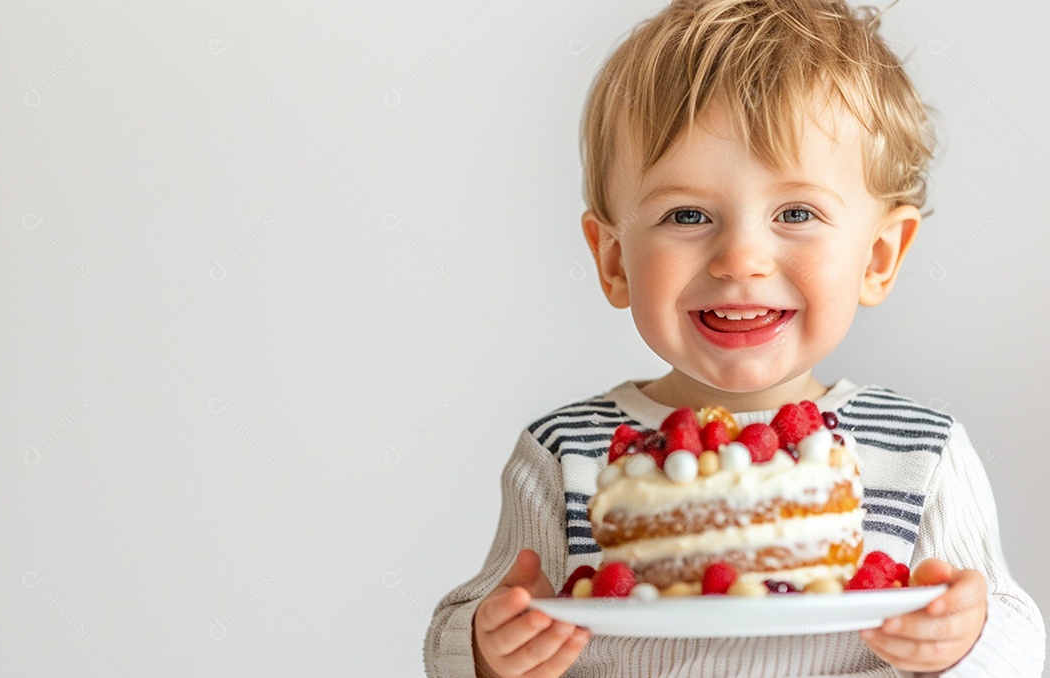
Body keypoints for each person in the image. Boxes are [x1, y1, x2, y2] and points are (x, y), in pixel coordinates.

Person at [424, 0, 1046, 675]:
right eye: (687, 214)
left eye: (796, 212)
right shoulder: (563, 455)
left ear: (877, 258)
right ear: (612, 260)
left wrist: (967, 641)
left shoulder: (920, 452)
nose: (740, 258)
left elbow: (1018, 643)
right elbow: (456, 638)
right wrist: (489, 652)